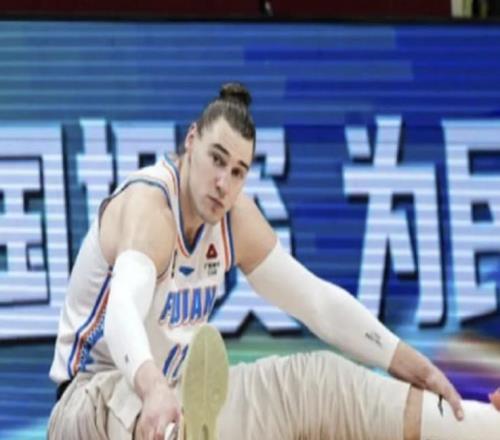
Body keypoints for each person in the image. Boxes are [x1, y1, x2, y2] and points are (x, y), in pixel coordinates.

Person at [48, 83, 500, 440]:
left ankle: (484, 426)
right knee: (159, 421)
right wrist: (151, 387)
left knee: (317, 385)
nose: (223, 183)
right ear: (191, 141)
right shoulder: (150, 208)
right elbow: (122, 312)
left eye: (238, 171)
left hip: (177, 398)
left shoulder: (233, 219)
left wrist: (408, 361)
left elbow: (318, 304)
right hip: (91, 400)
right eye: (216, 160)